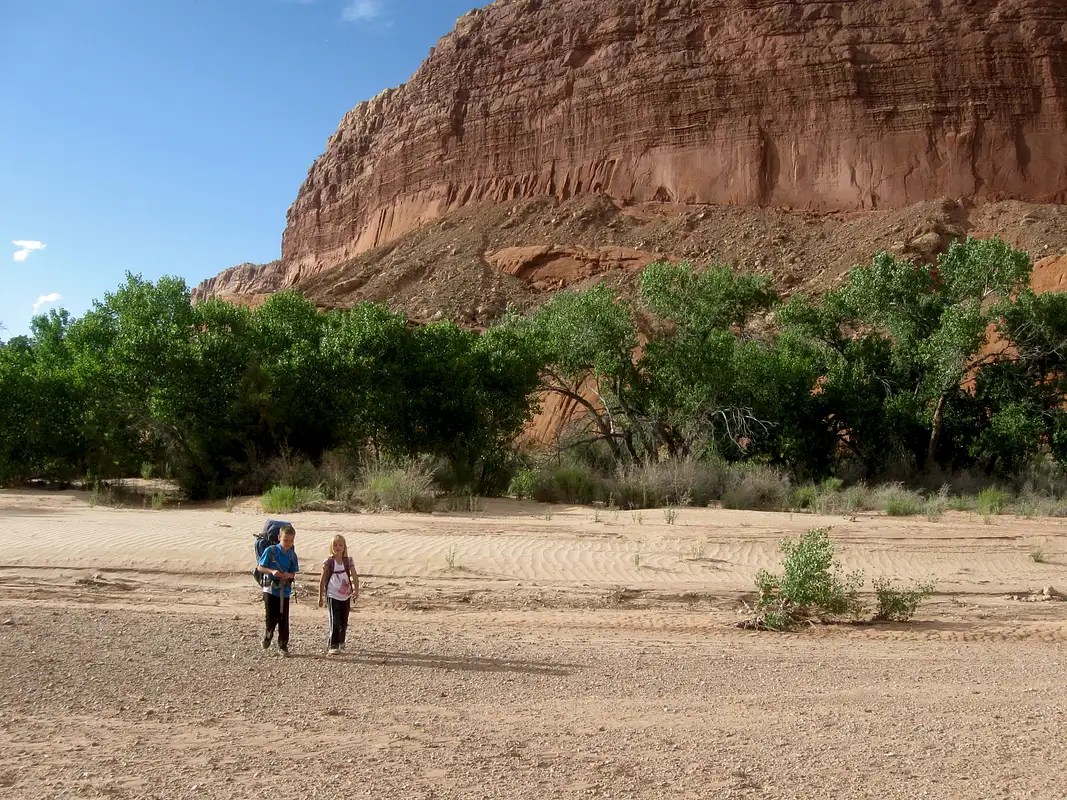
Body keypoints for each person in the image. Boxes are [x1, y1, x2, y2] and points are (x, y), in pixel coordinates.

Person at [257, 523, 299, 656]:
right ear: (279, 537)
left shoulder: (292, 555)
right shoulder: (270, 551)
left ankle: (283, 645)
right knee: (271, 617)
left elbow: (294, 572)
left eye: (291, 541)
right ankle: (268, 635)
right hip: (270, 589)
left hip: (284, 591)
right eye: (285, 540)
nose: (288, 543)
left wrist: (289, 575)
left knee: (283, 619)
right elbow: (260, 567)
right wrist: (272, 571)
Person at [318, 534, 359, 655]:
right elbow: (322, 579)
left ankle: (341, 641)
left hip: (345, 595)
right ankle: (333, 644)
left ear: (344, 547)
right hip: (332, 594)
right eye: (335, 545)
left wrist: (356, 590)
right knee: (334, 619)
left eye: (340, 545)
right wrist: (320, 596)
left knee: (344, 620)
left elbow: (355, 576)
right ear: (331, 547)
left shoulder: (348, 561)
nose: (338, 547)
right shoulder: (328, 562)